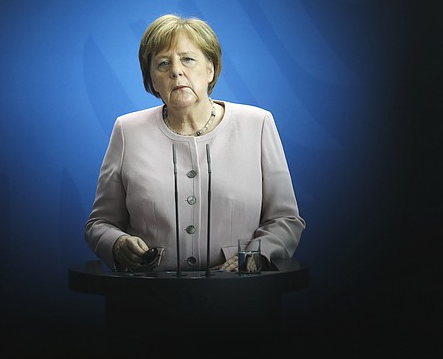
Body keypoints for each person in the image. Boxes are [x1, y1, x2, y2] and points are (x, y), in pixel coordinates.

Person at [85, 14, 305, 272]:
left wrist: (253, 259)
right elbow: (99, 224)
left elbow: (286, 220)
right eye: (163, 64)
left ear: (210, 69)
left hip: (241, 296)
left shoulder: (258, 124)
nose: (176, 70)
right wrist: (117, 243)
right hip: (148, 297)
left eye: (188, 59)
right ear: (153, 80)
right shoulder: (127, 130)